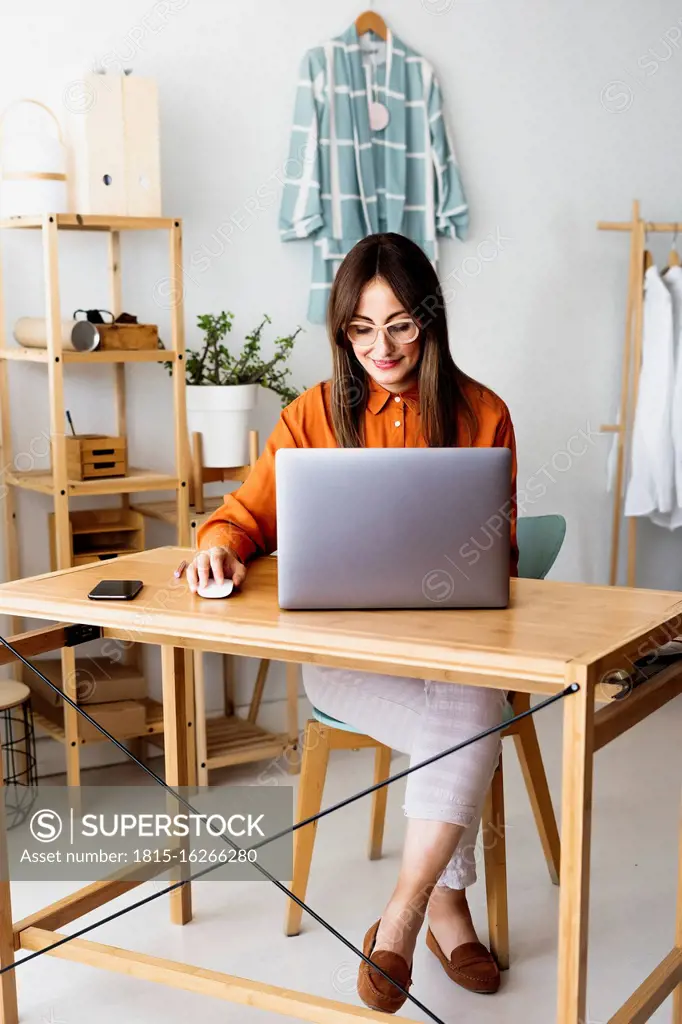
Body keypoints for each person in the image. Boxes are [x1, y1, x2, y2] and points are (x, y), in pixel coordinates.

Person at [189, 232, 518, 1013]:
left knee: (471, 702)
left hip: (455, 657)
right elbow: (243, 515)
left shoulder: (484, 413)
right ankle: (443, 906)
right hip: (347, 663)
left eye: (401, 325)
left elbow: (498, 552)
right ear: (342, 329)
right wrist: (218, 546)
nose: (382, 347)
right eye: (362, 329)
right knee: (476, 719)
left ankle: (401, 915)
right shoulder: (311, 414)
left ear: (430, 320)